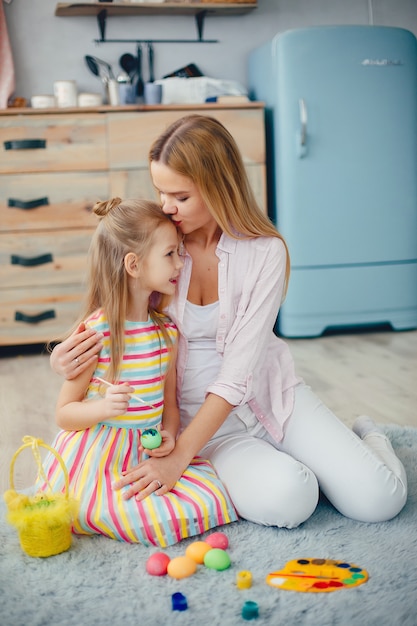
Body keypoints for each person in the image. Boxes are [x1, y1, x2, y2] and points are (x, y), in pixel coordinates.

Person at [50, 115, 407, 529]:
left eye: (179, 196)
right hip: (203, 426)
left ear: (217, 186)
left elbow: (239, 372)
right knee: (291, 499)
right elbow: (112, 307)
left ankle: (370, 437)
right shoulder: (161, 247)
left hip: (274, 400)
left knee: (380, 501)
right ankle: (300, 465)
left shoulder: (264, 252)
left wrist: (179, 459)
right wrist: (65, 357)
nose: (166, 206)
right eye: (160, 192)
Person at [39, 197, 238, 547]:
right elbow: (64, 415)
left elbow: (169, 407)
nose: (180, 263)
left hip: (144, 452)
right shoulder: (96, 334)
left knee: (212, 498)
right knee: (119, 513)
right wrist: (104, 408)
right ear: (133, 264)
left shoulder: (166, 333)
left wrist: (170, 436)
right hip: (99, 454)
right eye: (170, 255)